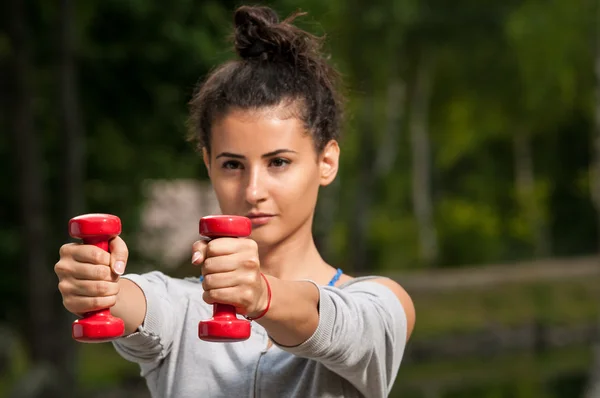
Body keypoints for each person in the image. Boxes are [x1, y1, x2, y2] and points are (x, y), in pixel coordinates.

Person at [54, 5, 415, 398]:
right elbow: (137, 301)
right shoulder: (183, 308)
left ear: (326, 161)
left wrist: (260, 295)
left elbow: (336, 323)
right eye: (232, 165)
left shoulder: (381, 303)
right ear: (208, 163)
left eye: (278, 162)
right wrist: (99, 284)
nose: (252, 190)